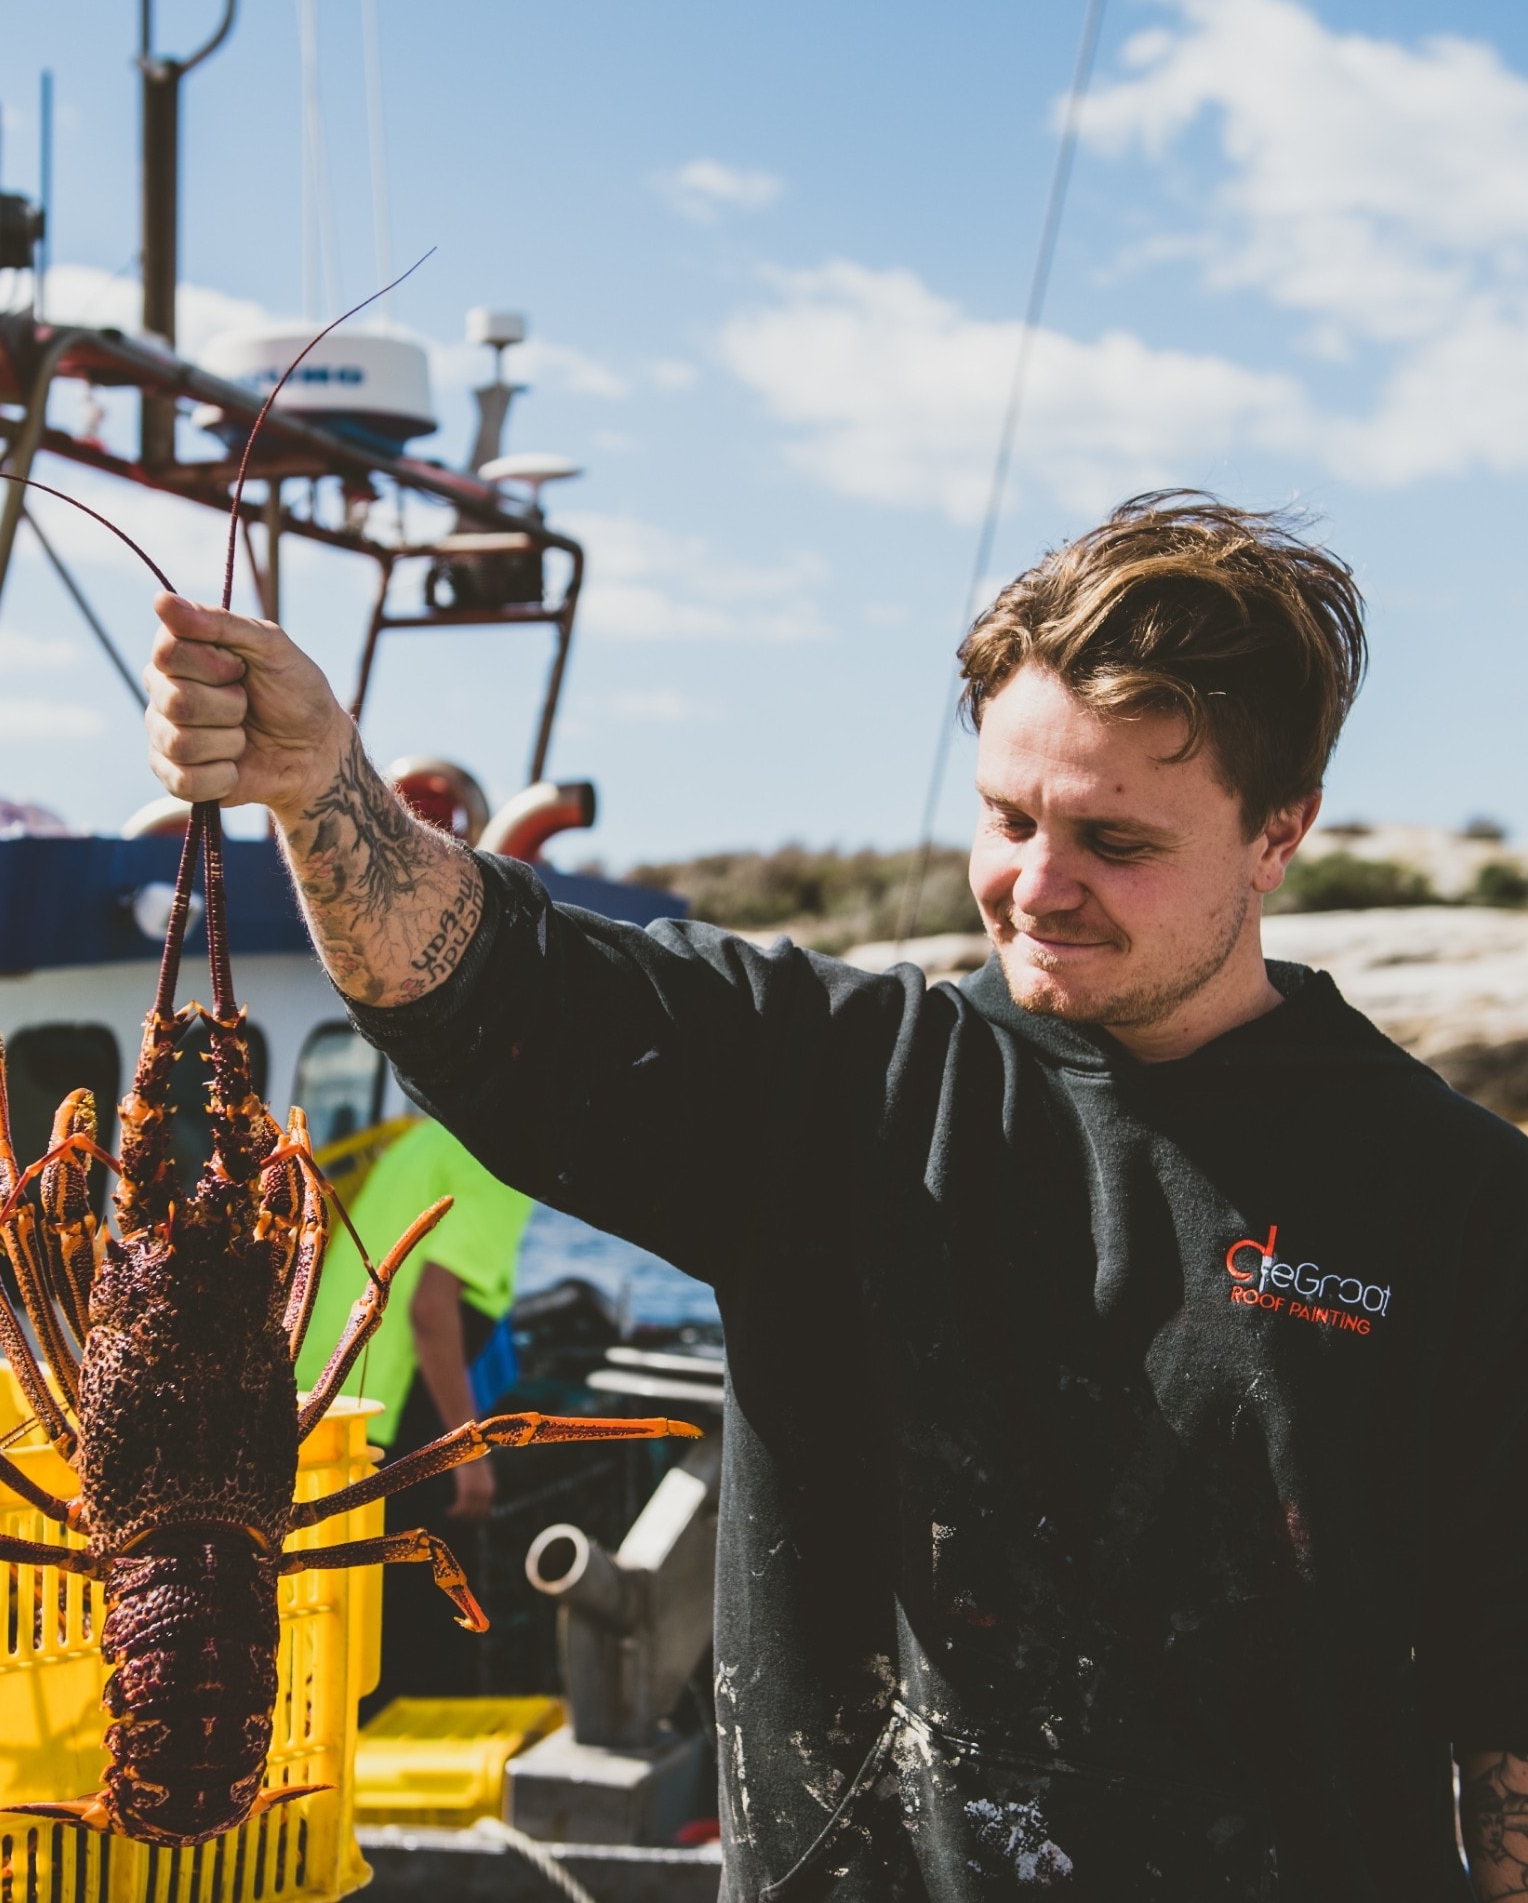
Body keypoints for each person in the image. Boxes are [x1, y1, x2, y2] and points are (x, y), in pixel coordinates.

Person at [144, 492, 1528, 1900]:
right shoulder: (833, 1090)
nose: (1038, 886)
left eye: (1118, 845)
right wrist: (320, 786)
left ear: (1277, 833)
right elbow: (472, 980)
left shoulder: (1461, 1208)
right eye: (1006, 817)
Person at [295, 1115, 532, 1708]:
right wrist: (467, 1450)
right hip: (381, 1419)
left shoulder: (427, 1138)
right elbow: (430, 1310)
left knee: (331, 1627)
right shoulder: (498, 1155)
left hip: (314, 1402)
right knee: (410, 1635)